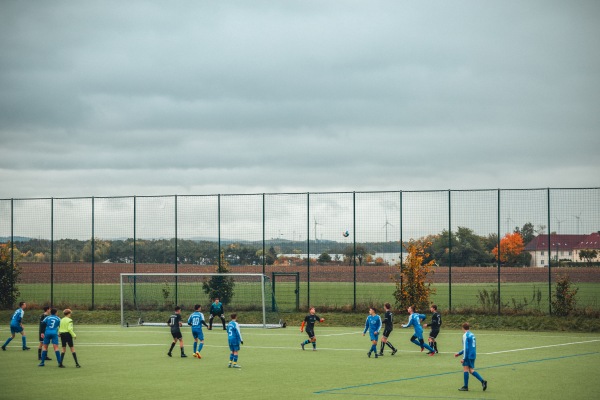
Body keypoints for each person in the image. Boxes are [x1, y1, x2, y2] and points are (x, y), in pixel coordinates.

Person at [455, 322, 487, 392]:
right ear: (469, 328)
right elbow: (470, 347)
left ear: (462, 328)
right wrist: (459, 353)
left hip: (468, 355)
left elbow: (466, 348)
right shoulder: (472, 334)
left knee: (465, 369)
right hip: (473, 354)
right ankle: (483, 381)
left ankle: (465, 386)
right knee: (471, 370)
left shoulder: (465, 335)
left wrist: (464, 358)